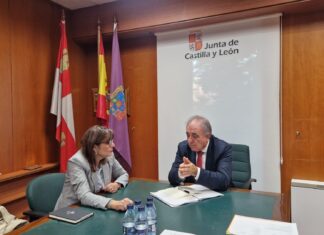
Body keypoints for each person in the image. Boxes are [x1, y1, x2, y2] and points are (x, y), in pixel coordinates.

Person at [55, 125, 132, 211]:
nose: (113, 145)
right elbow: (84, 196)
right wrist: (113, 203)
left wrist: (117, 184)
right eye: (108, 143)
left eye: (112, 141)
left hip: (93, 207)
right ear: (94, 147)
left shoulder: (109, 156)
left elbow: (123, 174)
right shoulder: (76, 162)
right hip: (71, 210)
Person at [168, 115, 232, 191]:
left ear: (208, 136)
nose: (190, 140)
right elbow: (171, 177)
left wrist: (196, 172)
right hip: (192, 196)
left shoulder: (222, 148)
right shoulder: (183, 147)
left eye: (195, 136)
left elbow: (223, 181)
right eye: (188, 135)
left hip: (217, 195)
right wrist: (181, 173)